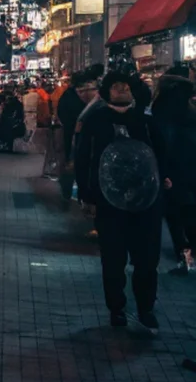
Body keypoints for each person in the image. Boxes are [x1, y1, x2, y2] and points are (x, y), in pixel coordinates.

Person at [73, 70, 168, 332]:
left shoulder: (146, 122)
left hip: (146, 202)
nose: (122, 89)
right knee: (113, 260)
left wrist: (165, 179)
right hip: (108, 202)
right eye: (116, 86)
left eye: (126, 86)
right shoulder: (95, 120)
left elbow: (161, 153)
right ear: (106, 91)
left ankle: (146, 308)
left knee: (147, 260)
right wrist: (86, 193)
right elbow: (83, 158)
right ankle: (117, 308)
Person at [151, 68, 196, 275]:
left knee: (176, 218)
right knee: (188, 217)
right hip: (188, 175)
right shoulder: (190, 112)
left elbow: (164, 145)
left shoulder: (162, 114)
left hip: (173, 175)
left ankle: (184, 258)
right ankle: (189, 258)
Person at [57, 69, 98, 203]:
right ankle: (70, 191)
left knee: (76, 164)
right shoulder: (71, 97)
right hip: (74, 136)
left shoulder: (69, 96)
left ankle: (74, 192)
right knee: (74, 163)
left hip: (78, 136)